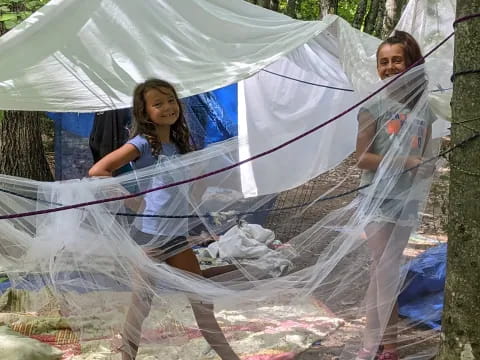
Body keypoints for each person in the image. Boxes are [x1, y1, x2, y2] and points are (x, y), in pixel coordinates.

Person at [88, 79, 239, 360]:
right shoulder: (142, 143)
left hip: (176, 235)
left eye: (171, 100)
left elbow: (189, 189)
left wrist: (200, 184)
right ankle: (126, 357)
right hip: (149, 236)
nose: (168, 107)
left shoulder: (181, 144)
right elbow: (99, 170)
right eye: (158, 103)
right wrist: (130, 199)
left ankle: (229, 356)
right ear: (145, 112)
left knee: (201, 299)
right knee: (141, 303)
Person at [355, 31, 435, 360]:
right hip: (377, 198)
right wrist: (407, 162)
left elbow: (425, 154)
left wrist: (424, 165)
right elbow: (362, 157)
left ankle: (380, 345)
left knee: (385, 269)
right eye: (383, 62)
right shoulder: (373, 106)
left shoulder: (425, 109)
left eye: (396, 60)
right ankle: (381, 346)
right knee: (384, 267)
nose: (389, 67)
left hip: (406, 200)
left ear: (412, 63)